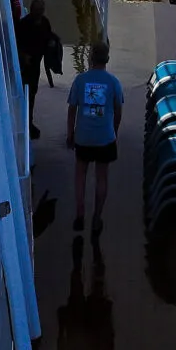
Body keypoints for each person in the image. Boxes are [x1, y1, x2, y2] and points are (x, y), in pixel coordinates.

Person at [68, 41, 124, 234]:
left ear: (91, 57)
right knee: (102, 178)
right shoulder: (114, 82)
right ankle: (97, 217)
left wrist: (70, 134)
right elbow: (118, 111)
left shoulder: (80, 80)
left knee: (80, 175)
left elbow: (72, 109)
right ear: (107, 58)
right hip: (105, 138)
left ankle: (80, 213)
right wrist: (114, 132)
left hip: (83, 137)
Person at [16, 0, 57, 139]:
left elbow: (48, 36)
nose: (39, 13)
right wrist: (23, 56)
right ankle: (24, 122)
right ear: (32, 10)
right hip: (25, 66)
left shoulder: (44, 22)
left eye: (41, 10)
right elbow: (17, 43)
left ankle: (29, 121)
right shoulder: (24, 24)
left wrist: (52, 44)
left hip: (36, 64)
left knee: (32, 93)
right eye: (37, 10)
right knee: (26, 93)